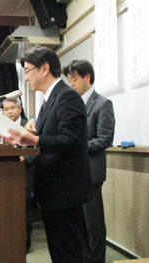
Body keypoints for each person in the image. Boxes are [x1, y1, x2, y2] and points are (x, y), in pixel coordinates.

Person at [4, 47, 92, 263]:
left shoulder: (67, 96)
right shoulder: (50, 99)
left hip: (65, 191)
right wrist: (31, 134)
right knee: (60, 252)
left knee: (69, 253)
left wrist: (34, 140)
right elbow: (52, 136)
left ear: (44, 68)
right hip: (53, 191)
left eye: (27, 71)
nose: (25, 78)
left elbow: (71, 140)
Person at [63, 60, 115, 263]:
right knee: (78, 222)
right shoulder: (72, 104)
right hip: (73, 172)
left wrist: (75, 145)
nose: (71, 84)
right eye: (69, 80)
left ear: (87, 77)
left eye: (74, 79)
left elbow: (104, 139)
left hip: (91, 172)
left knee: (93, 223)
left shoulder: (102, 103)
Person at [1, 98, 34, 252]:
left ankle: (25, 243)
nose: (8, 112)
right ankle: (7, 240)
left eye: (12, 108)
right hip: (3, 173)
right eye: (5, 109)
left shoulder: (29, 125)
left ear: (19, 109)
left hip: (24, 172)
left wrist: (25, 157)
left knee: (23, 208)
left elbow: (36, 148)